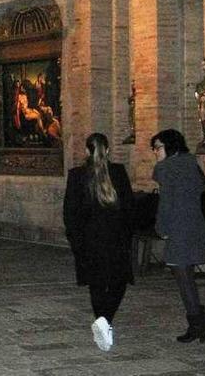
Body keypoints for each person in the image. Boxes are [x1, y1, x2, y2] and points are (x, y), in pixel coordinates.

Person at [63, 133, 134, 351]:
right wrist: (127, 234)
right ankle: (106, 320)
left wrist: (75, 240)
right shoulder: (118, 173)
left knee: (96, 283)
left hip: (89, 239)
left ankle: (103, 321)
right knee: (117, 282)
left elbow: (70, 211)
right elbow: (129, 208)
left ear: (86, 151)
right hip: (115, 238)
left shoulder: (77, 175)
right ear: (109, 150)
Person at [150, 128, 205, 343]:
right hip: (195, 224)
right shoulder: (190, 163)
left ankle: (197, 323)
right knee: (187, 277)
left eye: (158, 148)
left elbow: (165, 203)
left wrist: (161, 228)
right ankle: (197, 319)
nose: (156, 153)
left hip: (178, 228)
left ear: (170, 146)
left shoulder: (167, 168)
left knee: (183, 277)